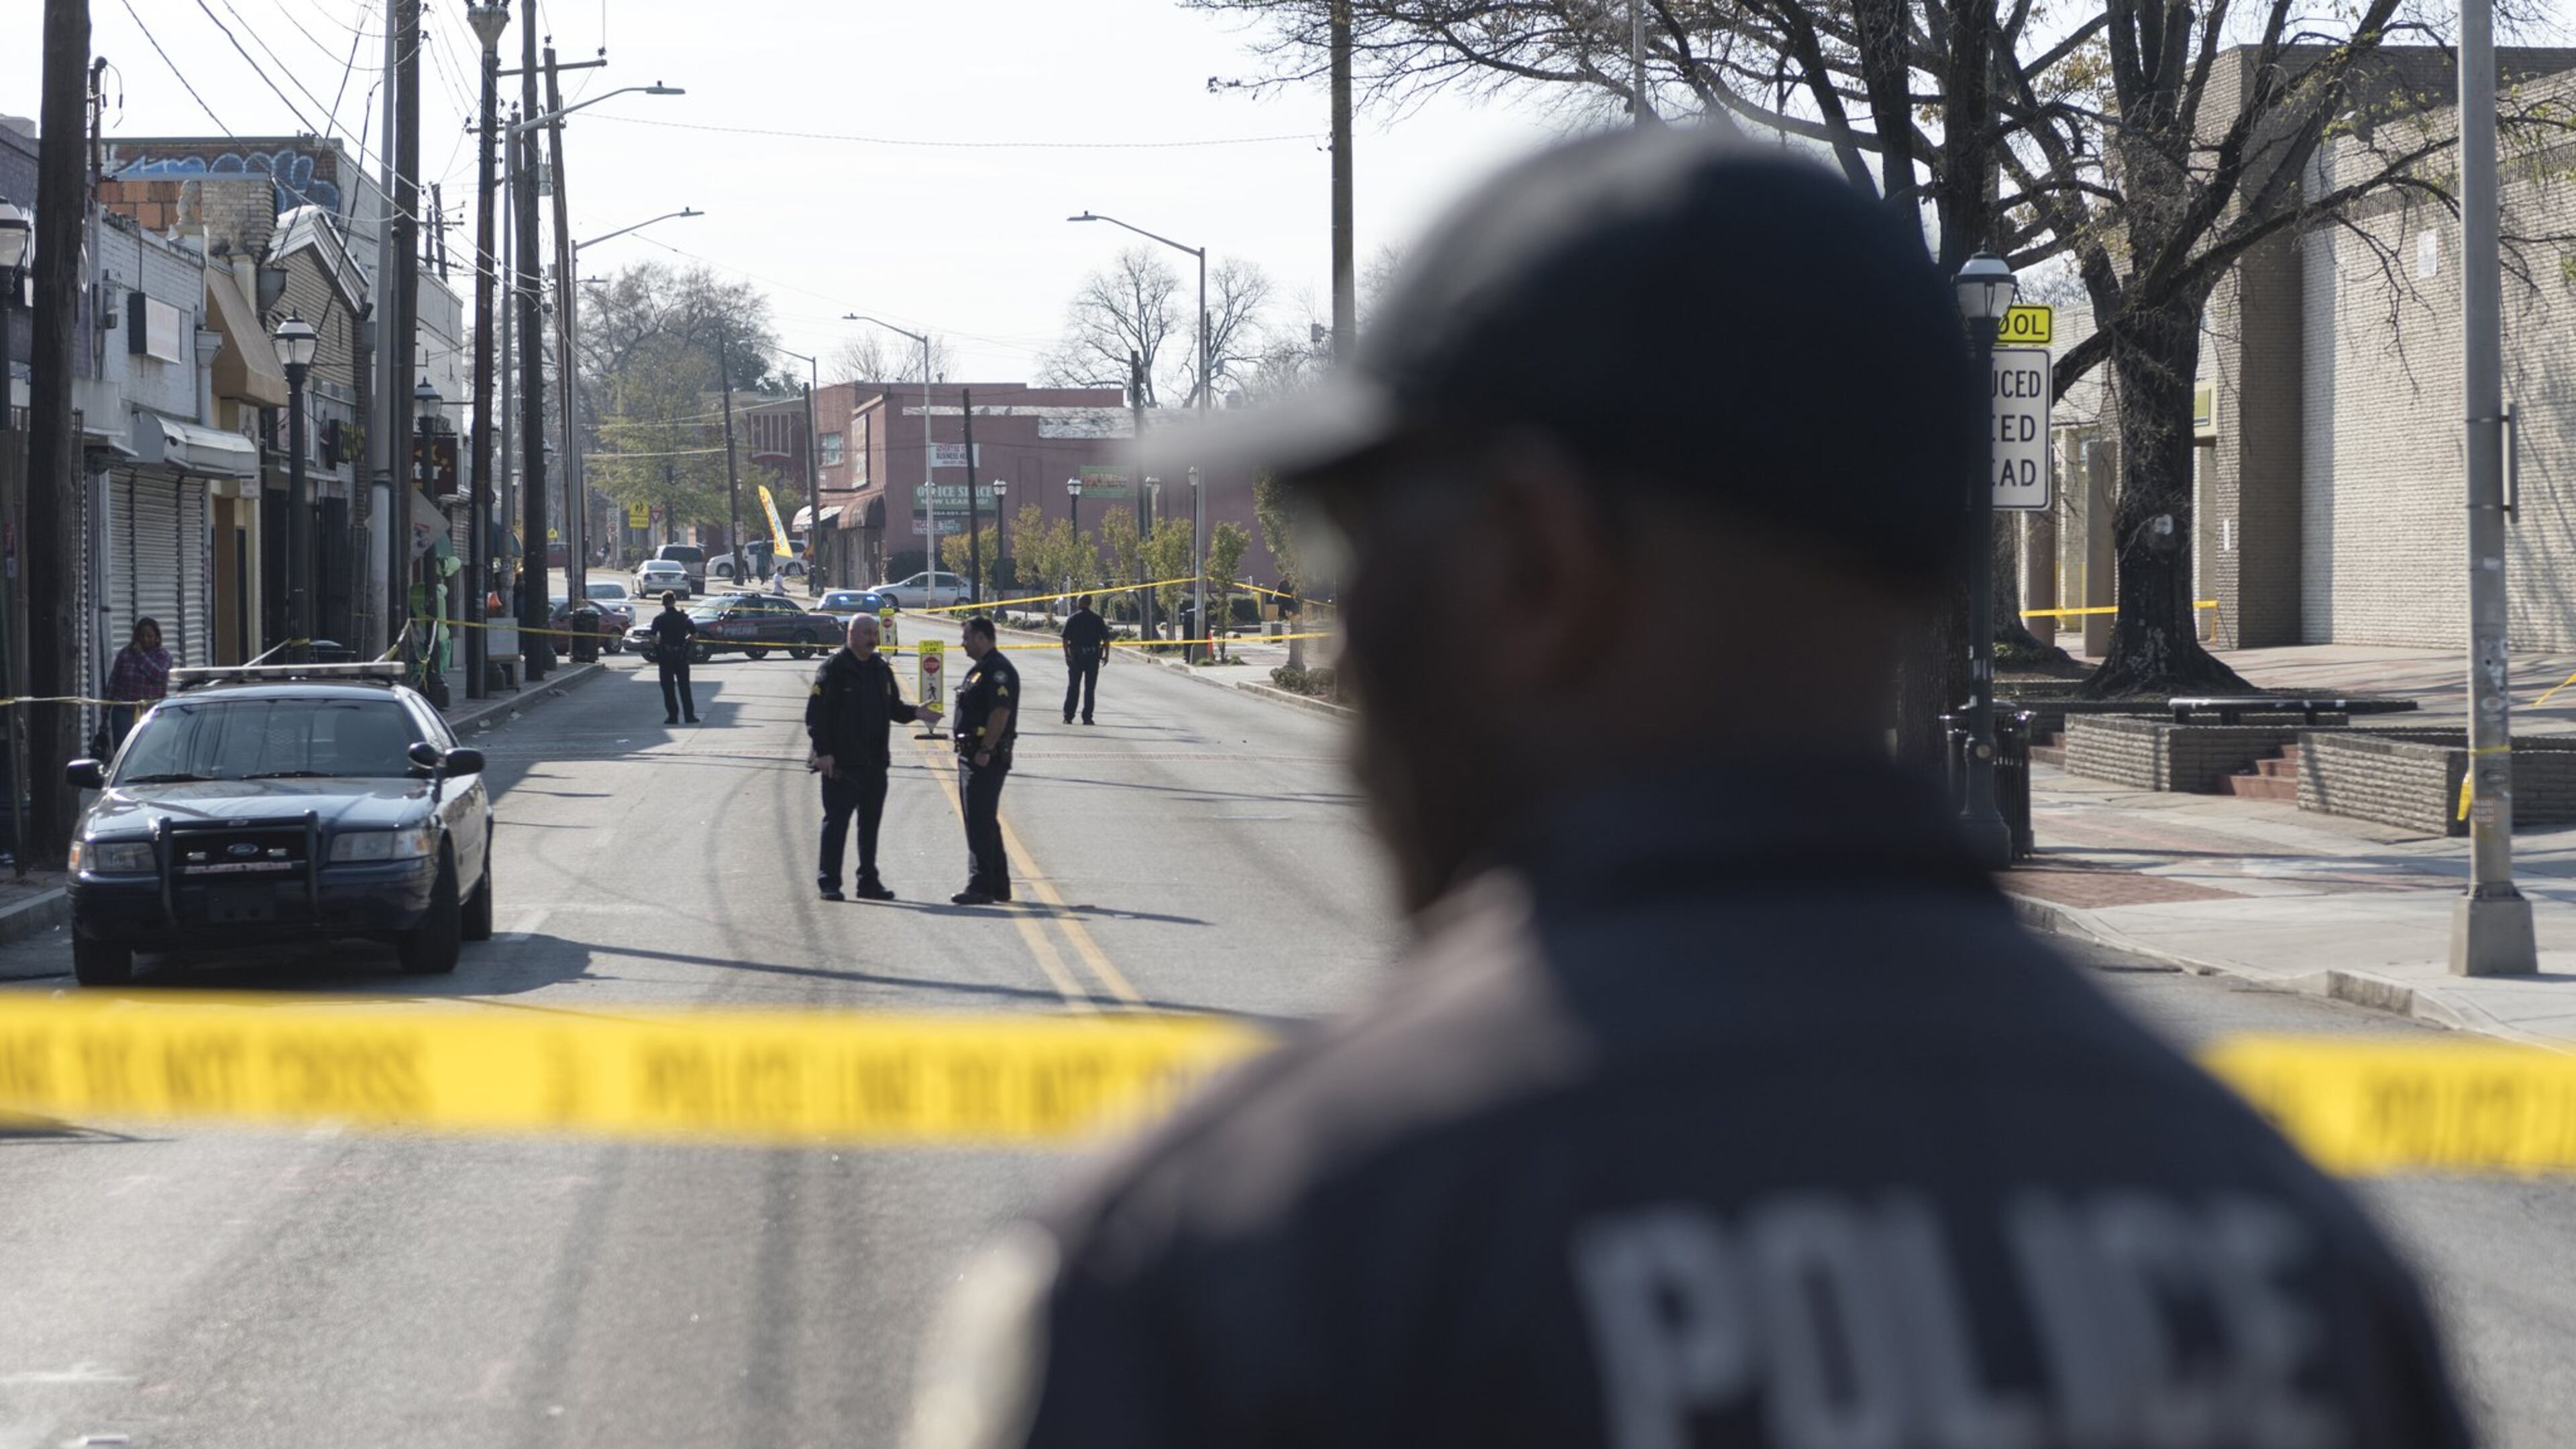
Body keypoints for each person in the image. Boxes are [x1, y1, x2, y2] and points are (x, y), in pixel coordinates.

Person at [903, 129, 2472, 1448]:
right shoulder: (2301, 1269)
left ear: (1534, 561)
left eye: (1341, 541)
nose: (1335, 629)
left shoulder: (1235, 1269)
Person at [806, 613, 938, 901]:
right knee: (837, 824)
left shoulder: (880, 669)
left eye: (874, 633)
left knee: (870, 826)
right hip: (841, 765)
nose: (872, 638)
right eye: (866, 633)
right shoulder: (834, 669)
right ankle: (829, 881)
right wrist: (824, 752)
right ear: (851, 635)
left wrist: (916, 712)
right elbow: (816, 715)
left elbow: (893, 708)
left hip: (874, 763)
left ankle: (868, 881)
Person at [948, 616, 1018, 906]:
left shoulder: (998, 671)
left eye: (966, 637)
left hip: (985, 756)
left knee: (978, 822)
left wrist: (986, 748)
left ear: (981, 638)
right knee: (985, 821)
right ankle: (999, 885)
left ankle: (980, 885)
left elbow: (1000, 713)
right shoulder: (980, 670)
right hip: (974, 753)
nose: (963, 643)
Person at [103, 617, 172, 749]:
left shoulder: (163, 656)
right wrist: (105, 710)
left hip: (152, 712)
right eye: (142, 636)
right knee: (125, 749)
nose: (146, 639)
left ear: (157, 637)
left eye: (150, 636)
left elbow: (159, 676)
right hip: (125, 712)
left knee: (150, 750)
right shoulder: (125, 654)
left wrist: (141, 656)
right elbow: (114, 682)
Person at [647, 591, 698, 724]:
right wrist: (686, 642)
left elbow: (652, 637)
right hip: (681, 656)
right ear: (674, 601)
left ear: (663, 603)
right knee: (685, 687)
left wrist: (659, 646)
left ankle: (673, 716)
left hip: (665, 657)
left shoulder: (659, 618)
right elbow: (694, 635)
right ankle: (689, 716)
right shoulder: (684, 617)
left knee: (668, 688)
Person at [1059, 594, 1108, 725]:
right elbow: (1106, 639)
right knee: (1090, 688)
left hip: (1076, 657)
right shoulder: (1097, 619)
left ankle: (1068, 716)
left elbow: (1065, 639)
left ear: (1080, 603)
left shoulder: (1073, 619)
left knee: (1073, 686)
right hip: (1093, 657)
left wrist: (1067, 654)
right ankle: (1087, 717)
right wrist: (1107, 655)